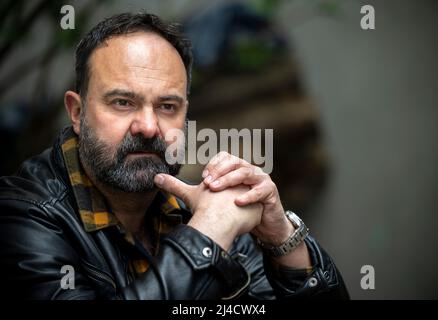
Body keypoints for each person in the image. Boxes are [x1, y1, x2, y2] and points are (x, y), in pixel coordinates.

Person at [0, 12, 349, 300]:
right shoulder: (20, 216)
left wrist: (282, 241)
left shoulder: (201, 210)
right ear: (76, 113)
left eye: (167, 106)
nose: (149, 127)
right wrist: (206, 237)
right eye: (123, 102)